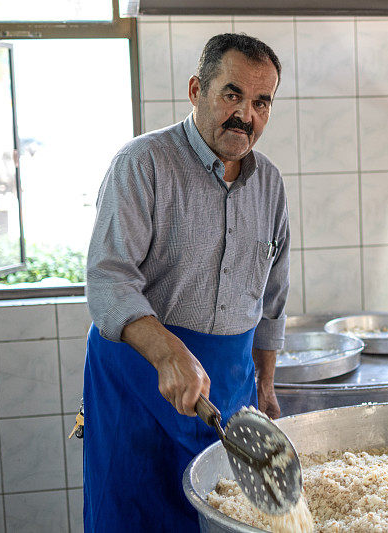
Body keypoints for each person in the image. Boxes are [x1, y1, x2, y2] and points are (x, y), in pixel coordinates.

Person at [83, 33, 289, 532]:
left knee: (228, 520)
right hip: (140, 379)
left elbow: (272, 299)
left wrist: (265, 382)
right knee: (136, 516)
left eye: (261, 102)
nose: (246, 115)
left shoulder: (270, 185)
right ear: (197, 89)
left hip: (231, 388)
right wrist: (168, 353)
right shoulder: (142, 164)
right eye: (232, 94)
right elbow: (108, 278)